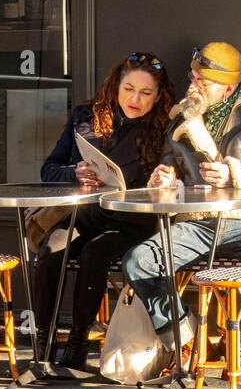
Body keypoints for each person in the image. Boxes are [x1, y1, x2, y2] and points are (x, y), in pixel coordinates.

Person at [123, 41, 241, 358]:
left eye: (203, 82)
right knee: (138, 262)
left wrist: (236, 176)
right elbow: (171, 171)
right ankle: (184, 341)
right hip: (196, 224)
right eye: (193, 77)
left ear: (228, 89)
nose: (193, 86)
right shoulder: (181, 119)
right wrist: (166, 182)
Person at [33, 51, 175, 369]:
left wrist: (164, 178)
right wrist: (75, 172)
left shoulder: (164, 128)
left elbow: (176, 178)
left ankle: (79, 342)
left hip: (131, 223)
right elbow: (49, 169)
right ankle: (43, 342)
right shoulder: (86, 116)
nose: (135, 99)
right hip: (86, 214)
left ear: (158, 96)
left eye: (145, 92)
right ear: (115, 85)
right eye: (129, 89)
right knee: (52, 246)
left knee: (95, 253)